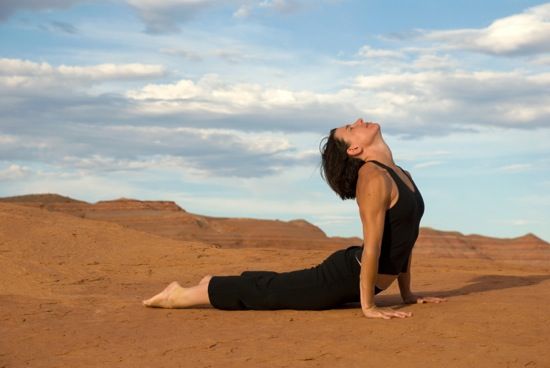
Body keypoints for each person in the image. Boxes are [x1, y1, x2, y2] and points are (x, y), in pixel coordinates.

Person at [142, 118, 446, 319]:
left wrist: (407, 293)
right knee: (273, 293)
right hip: (346, 275)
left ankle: (215, 281)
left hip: (361, 276)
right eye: (351, 129)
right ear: (355, 149)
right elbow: (373, 246)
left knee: (286, 284)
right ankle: (180, 294)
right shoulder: (372, 175)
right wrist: (368, 307)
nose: (358, 122)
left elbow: (406, 237)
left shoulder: (402, 174)